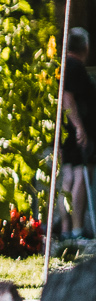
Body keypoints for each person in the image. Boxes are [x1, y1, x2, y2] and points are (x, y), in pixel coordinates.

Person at [61, 27, 95, 242]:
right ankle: (76, 229)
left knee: (69, 175)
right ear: (85, 47)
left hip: (67, 131)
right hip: (77, 131)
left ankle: (66, 229)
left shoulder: (65, 65)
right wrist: (80, 127)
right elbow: (67, 98)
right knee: (81, 174)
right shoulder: (74, 66)